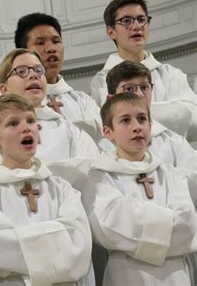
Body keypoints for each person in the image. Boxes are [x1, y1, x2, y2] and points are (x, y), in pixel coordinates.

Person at [0, 93, 94, 285]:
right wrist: (57, 237)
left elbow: (79, 245)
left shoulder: (61, 187)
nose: (26, 128)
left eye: (31, 121)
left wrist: (21, 238)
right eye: (13, 123)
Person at [82, 93, 196, 286]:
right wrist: (169, 225)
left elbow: (188, 225)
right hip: (127, 275)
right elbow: (109, 228)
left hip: (176, 276)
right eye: (125, 120)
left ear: (150, 126)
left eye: (142, 119)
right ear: (108, 132)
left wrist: (135, 222)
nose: (137, 126)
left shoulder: (171, 174)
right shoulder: (100, 178)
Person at [90, 0, 196, 140]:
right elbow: (108, 126)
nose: (136, 26)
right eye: (126, 20)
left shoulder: (171, 74)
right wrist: (170, 111)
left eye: (141, 19)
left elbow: (193, 118)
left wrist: (130, 114)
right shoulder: (102, 81)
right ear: (111, 32)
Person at [0, 48, 99, 164]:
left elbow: (91, 171)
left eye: (39, 70)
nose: (34, 75)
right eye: (21, 71)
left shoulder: (72, 131)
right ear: (4, 89)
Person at [15, 12, 102, 142]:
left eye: (56, 41)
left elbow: (102, 139)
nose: (51, 49)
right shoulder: (15, 105)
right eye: (40, 43)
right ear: (23, 52)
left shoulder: (84, 102)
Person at [103, 60, 196, 175]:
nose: (140, 95)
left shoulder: (174, 142)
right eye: (129, 89)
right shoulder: (101, 144)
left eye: (144, 87)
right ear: (111, 99)